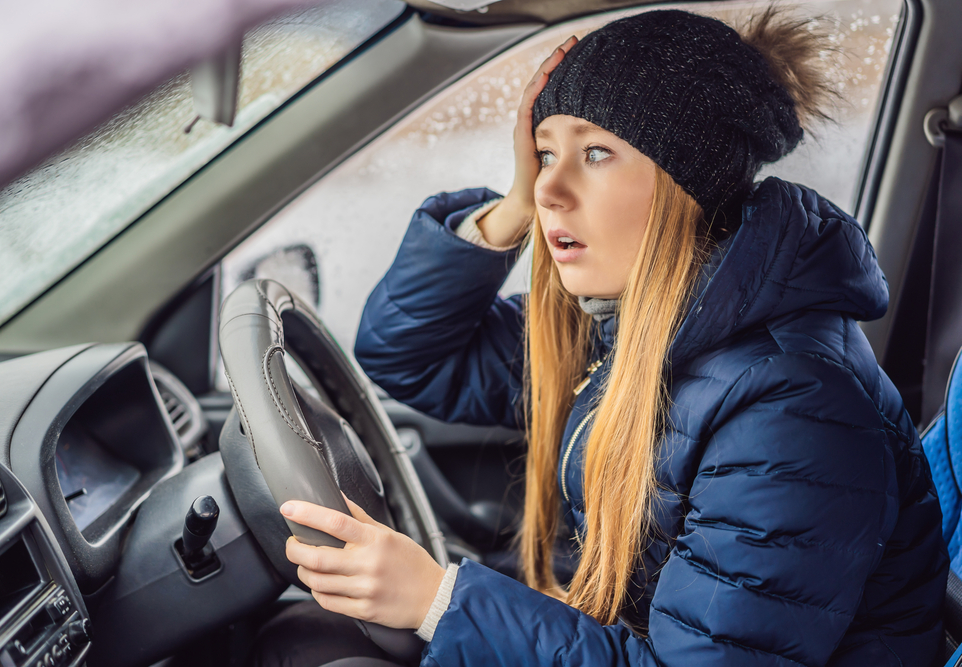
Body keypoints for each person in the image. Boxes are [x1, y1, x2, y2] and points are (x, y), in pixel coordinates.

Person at [265, 7, 948, 666]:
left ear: (690, 185)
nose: (550, 191)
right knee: (300, 640)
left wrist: (438, 598)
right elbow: (409, 355)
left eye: (595, 152)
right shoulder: (625, 329)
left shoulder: (793, 408)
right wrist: (509, 206)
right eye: (543, 155)